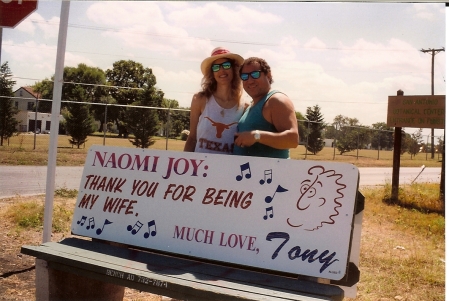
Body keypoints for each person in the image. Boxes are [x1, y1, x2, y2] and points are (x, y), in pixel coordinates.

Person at [184, 47, 248, 154]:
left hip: (228, 168)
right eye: (216, 67)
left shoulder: (244, 106)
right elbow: (192, 138)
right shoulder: (199, 99)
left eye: (226, 65)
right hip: (201, 167)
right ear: (212, 73)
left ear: (234, 69)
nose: (221, 70)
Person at [233, 57, 299, 158]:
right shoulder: (252, 106)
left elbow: (292, 140)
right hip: (248, 172)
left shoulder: (276, 100)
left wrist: (256, 136)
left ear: (268, 75)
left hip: (270, 173)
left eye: (255, 74)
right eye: (245, 76)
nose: (250, 81)